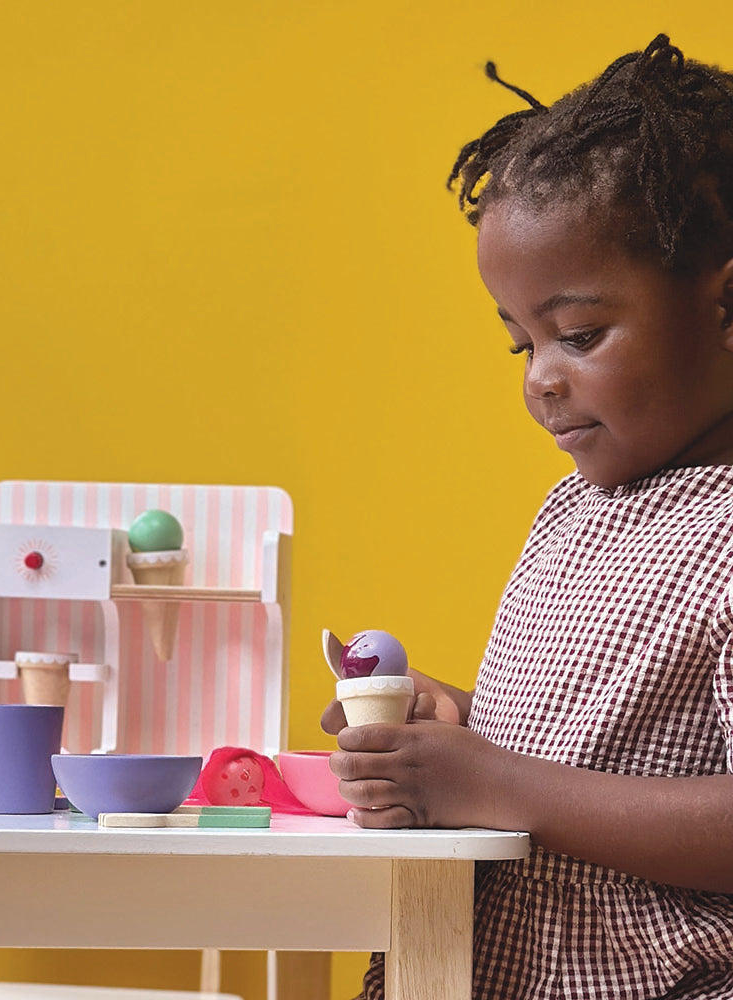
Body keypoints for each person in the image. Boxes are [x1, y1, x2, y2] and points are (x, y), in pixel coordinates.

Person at [323, 34, 733, 1000]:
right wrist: (453, 730)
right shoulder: (577, 507)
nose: (544, 380)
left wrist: (491, 783)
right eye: (521, 344)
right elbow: (582, 754)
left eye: (580, 335)